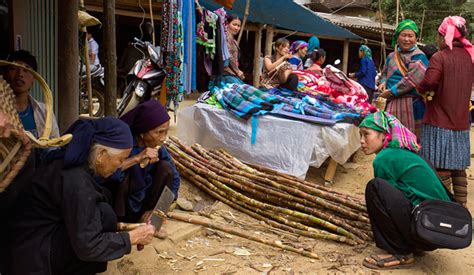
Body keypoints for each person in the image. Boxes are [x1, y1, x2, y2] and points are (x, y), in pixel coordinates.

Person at [8, 117, 156, 274]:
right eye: (120, 159)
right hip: (31, 255)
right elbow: (89, 245)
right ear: (101, 154)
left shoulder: (76, 164)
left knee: (105, 214)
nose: (121, 165)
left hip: (35, 240)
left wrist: (129, 228)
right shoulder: (75, 179)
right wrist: (132, 238)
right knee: (98, 229)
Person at [359, 111, 452, 269]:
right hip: (436, 230)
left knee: (376, 188)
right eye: (360, 135)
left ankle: (400, 253)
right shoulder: (403, 153)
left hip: (427, 229)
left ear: (384, 135)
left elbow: (386, 206)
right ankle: (414, 245)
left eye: (366, 134)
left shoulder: (385, 157)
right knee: (383, 190)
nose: (361, 141)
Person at [417, 16, 474, 207]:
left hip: (438, 120)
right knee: (458, 167)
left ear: (444, 36)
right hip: (461, 122)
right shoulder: (470, 57)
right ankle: (462, 207)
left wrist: (421, 89)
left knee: (439, 165)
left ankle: (446, 207)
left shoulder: (440, 57)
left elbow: (430, 81)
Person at [104, 100, 180, 227]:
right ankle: (119, 223)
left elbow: (175, 178)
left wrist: (159, 209)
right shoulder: (124, 144)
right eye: (159, 132)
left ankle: (151, 220)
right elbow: (105, 174)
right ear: (143, 132)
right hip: (122, 205)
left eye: (166, 132)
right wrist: (137, 158)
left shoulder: (159, 148)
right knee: (125, 173)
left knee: (166, 168)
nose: (163, 138)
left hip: (145, 204)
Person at [378, 19, 429, 137]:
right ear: (397, 37)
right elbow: (384, 73)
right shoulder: (391, 56)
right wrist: (383, 82)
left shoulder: (419, 56)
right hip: (391, 103)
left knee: (410, 138)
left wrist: (390, 92)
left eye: (410, 36)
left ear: (416, 38)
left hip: (412, 105)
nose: (407, 39)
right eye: (403, 35)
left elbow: (411, 81)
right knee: (391, 137)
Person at [4, 50, 59, 138]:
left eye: (26, 69)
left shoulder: (45, 112)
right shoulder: (1, 111)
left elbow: (54, 144)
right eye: (13, 68)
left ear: (34, 78)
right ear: (5, 75)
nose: (20, 74)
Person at [223, 14, 245, 80]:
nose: (236, 28)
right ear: (227, 23)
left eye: (238, 26)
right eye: (234, 24)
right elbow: (229, 55)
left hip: (230, 73)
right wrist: (237, 71)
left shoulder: (233, 40)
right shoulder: (227, 36)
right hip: (225, 73)